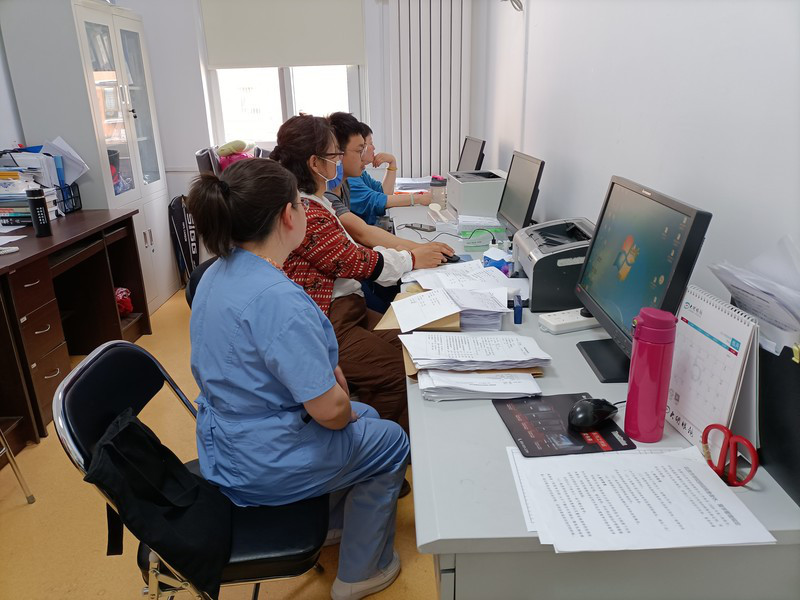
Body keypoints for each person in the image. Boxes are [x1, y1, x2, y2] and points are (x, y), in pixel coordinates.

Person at [185, 158, 409, 600]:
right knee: (390, 440)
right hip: (263, 463)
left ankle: (331, 524)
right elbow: (330, 412)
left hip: (226, 442)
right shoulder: (278, 298)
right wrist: (339, 397)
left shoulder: (216, 274)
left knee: (364, 414)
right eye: (303, 206)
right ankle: (362, 572)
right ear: (289, 215)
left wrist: (335, 390)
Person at [270, 115, 444, 433]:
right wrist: (413, 258)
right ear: (315, 163)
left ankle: (395, 428)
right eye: (336, 154)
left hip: (348, 308)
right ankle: (381, 447)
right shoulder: (305, 211)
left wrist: (413, 256)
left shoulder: (315, 202)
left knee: (415, 345)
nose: (340, 160)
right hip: (328, 319)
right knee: (396, 372)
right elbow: (358, 262)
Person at [328, 111, 433, 225]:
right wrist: (417, 198)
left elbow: (383, 193)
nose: (373, 148)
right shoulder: (346, 181)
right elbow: (375, 202)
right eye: (360, 149)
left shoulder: (355, 175)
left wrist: (392, 163)